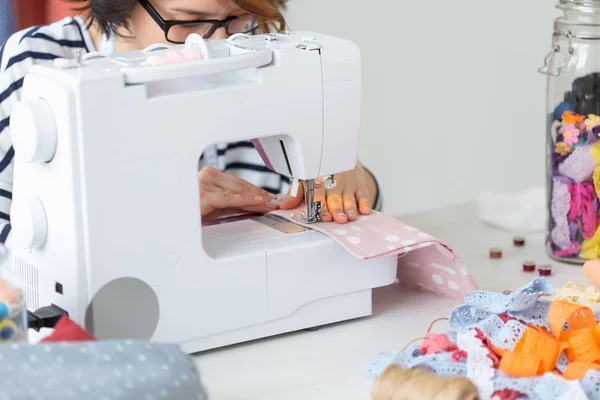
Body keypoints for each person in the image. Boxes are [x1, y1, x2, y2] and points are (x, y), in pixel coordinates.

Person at [0, 0, 382, 246]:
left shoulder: (258, 53)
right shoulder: (42, 62)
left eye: (236, 19)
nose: (214, 44)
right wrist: (154, 214)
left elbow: (317, 199)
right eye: (190, 21)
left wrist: (348, 175)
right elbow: (10, 236)